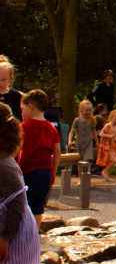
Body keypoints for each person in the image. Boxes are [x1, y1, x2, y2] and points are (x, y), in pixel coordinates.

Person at [0, 103, 48, 264]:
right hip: (8, 226)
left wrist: (5, 238)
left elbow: (17, 203)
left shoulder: (4, 164)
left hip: (13, 231)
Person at [17, 90, 61, 224]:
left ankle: (24, 236)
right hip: (45, 172)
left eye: (22, 109)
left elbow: (17, 148)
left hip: (27, 171)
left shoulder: (23, 127)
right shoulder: (51, 128)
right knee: (38, 208)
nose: (21, 113)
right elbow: (57, 151)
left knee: (24, 206)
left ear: (30, 107)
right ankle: (35, 235)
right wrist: (53, 171)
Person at [96, 110, 116, 181]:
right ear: (111, 118)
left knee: (114, 161)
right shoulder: (108, 126)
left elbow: (115, 138)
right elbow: (101, 134)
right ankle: (104, 171)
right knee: (114, 160)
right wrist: (109, 136)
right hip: (108, 147)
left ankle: (107, 175)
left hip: (114, 147)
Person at [0, 57, 22, 121]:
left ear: (10, 79)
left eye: (3, 80)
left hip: (11, 128)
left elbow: (19, 116)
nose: (0, 82)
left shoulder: (16, 96)